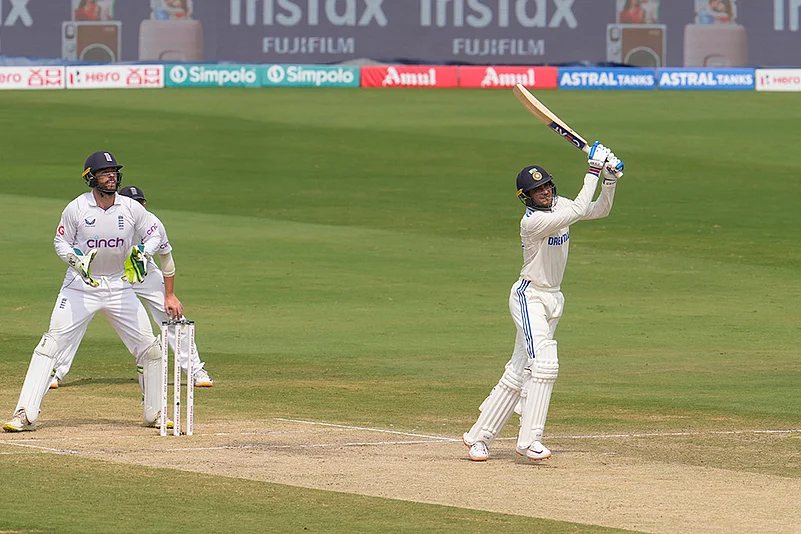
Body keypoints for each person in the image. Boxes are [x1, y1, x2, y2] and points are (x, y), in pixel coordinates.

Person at [462, 142, 624, 462]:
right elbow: (578, 209)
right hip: (529, 296)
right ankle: (529, 440)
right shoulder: (532, 223)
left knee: (518, 369)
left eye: (547, 186)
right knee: (545, 364)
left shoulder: (560, 205)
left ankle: (478, 438)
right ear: (528, 198)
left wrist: (610, 180)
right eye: (538, 191)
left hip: (553, 298)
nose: (545, 193)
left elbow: (597, 209)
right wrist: (593, 169)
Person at [3, 152, 170, 432]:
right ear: (91, 177)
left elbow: (155, 233)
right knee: (50, 345)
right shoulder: (76, 208)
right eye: (105, 172)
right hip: (81, 286)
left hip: (119, 286)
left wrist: (144, 251)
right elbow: (61, 242)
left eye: (114, 172)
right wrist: (75, 261)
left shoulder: (131, 208)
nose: (112, 176)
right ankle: (25, 415)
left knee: (150, 349)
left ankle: (153, 414)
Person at [49, 185, 213, 390]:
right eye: (133, 203)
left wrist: (170, 295)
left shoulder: (152, 222)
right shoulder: (104, 217)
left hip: (141, 271)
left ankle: (196, 370)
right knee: (76, 318)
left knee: (171, 313)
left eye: (141, 203)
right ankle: (55, 371)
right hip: (107, 273)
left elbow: (166, 259)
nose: (138, 207)